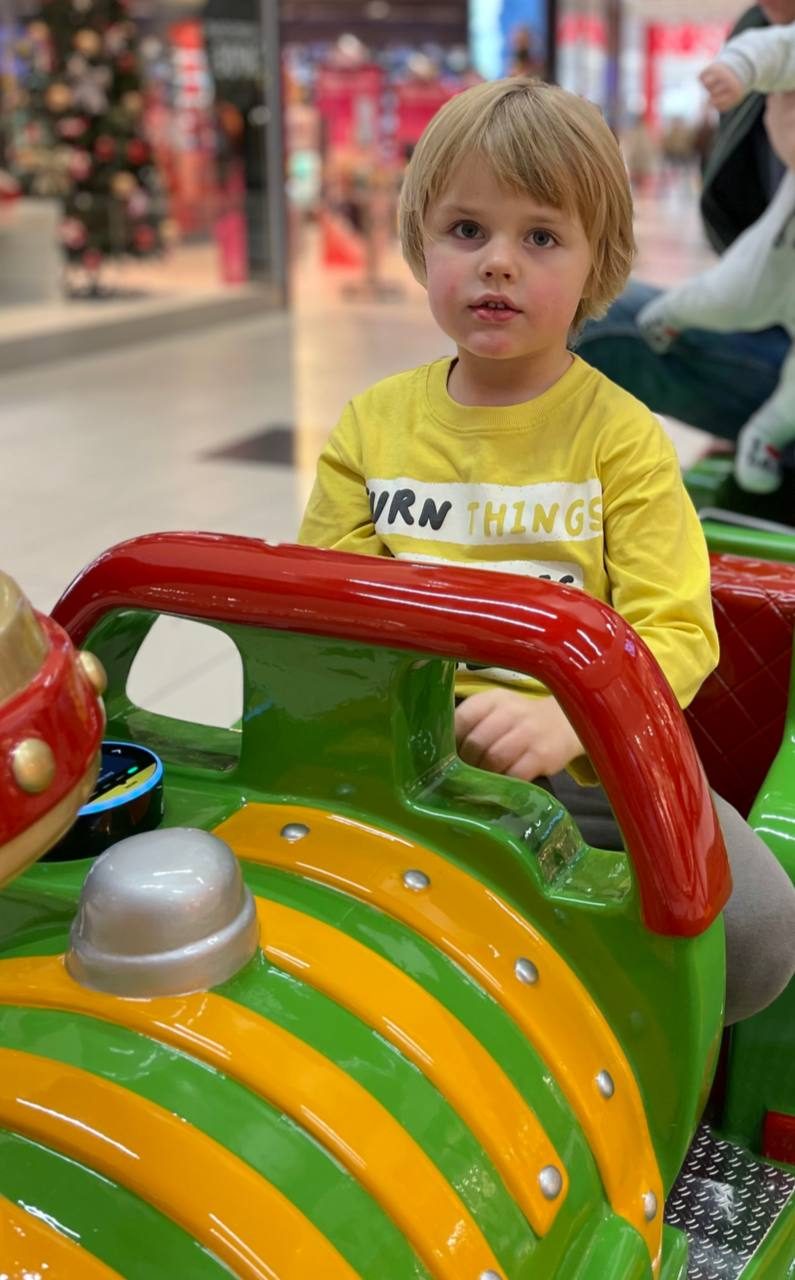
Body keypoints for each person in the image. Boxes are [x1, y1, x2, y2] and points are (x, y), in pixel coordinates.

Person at [298, 76, 795, 1023]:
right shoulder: (370, 426)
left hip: (586, 764)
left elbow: (676, 631)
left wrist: (569, 717)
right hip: (404, 761)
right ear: (420, 241)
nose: (497, 263)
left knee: (755, 931)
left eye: (539, 238)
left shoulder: (620, 438)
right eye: (466, 229)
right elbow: (328, 616)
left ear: (597, 261)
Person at [575, 2, 795, 444]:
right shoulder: (756, 31)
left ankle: (767, 444)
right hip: (769, 307)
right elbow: (745, 255)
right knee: (571, 310)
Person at [638, 20, 795, 493]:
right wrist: (736, 69)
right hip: (779, 252)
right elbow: (774, 48)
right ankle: (669, 314)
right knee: (726, 294)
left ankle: (765, 437)